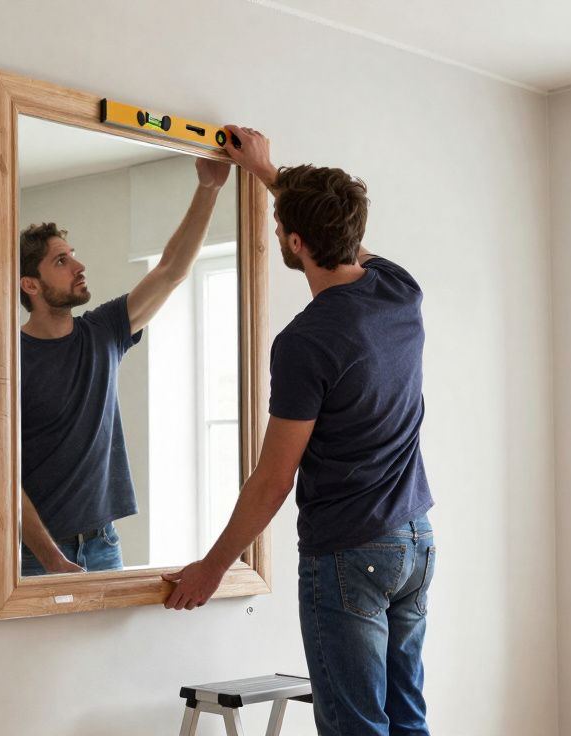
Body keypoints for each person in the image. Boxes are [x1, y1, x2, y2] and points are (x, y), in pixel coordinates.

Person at [163, 126, 436, 736]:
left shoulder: (306, 342)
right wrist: (268, 173)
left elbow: (273, 479)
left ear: (291, 241)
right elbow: (335, 233)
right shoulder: (399, 290)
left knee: (357, 727)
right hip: (414, 539)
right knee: (406, 720)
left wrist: (212, 566)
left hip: (350, 552)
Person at [18, 158, 231, 576]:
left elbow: (172, 270)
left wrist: (209, 188)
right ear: (31, 285)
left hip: (104, 545)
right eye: (61, 262)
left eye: (73, 256)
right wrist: (52, 559)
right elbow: (3, 476)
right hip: (35, 557)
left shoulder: (103, 332)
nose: (79, 267)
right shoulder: (9, 360)